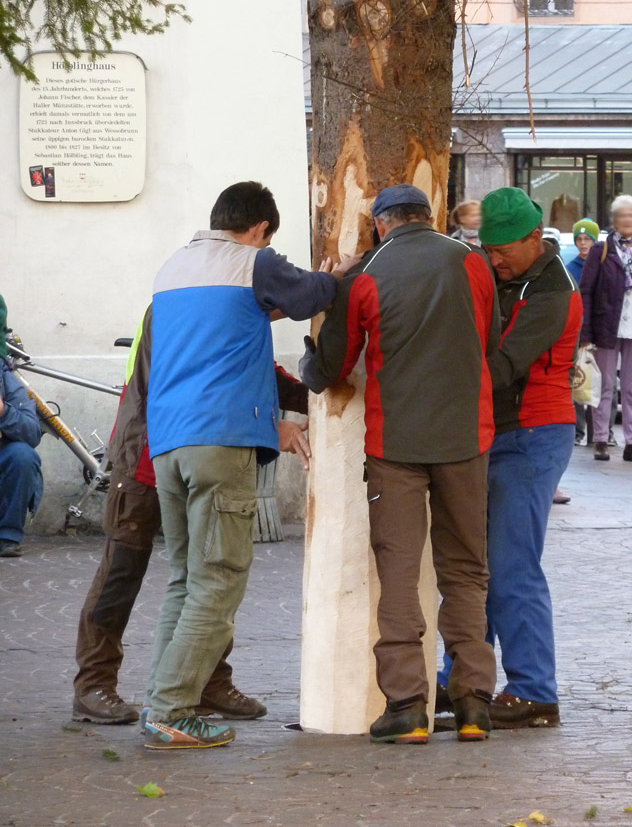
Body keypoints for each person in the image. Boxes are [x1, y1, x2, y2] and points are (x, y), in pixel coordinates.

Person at [142, 180, 353, 751]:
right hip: (219, 443)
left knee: (185, 581)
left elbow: (223, 351)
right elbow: (313, 294)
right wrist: (349, 271)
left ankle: (161, 701)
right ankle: (170, 710)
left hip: (168, 442)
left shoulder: (174, 268)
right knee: (218, 581)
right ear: (259, 229)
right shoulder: (251, 263)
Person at [300, 184, 500, 745]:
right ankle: (473, 704)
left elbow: (336, 366)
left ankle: (408, 705)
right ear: (430, 217)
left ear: (380, 224)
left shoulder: (367, 273)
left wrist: (308, 363)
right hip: (467, 438)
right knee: (466, 570)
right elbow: (488, 340)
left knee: (399, 572)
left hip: (397, 446)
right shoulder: (472, 260)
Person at [72, 306, 311, 725]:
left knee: (209, 573)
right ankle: (94, 683)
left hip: (182, 456)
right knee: (122, 574)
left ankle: (207, 682)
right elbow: (199, 387)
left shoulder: (232, 317)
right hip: (145, 456)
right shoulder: (185, 311)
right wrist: (272, 426)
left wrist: (329, 391)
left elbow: (265, 377)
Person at [438, 188, 582, 729]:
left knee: (512, 566)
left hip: (534, 434)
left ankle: (534, 690)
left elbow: (504, 365)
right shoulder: (501, 275)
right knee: (476, 567)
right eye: (486, 249)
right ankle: (464, 680)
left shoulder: (554, 292)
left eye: (503, 251)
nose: (493, 260)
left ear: (533, 237)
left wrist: (431, 384)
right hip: (492, 433)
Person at [579, 194, 632, 463]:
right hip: (607, 326)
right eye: (622, 216)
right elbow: (586, 292)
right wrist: (585, 333)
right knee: (605, 387)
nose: (627, 220)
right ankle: (601, 440)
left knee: (630, 388)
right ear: (615, 221)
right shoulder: (601, 250)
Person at [0, 296, 43, 557]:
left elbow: (32, 431)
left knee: (23, 456)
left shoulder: (7, 380)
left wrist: (4, 412)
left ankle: (7, 536)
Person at [567, 219, 599, 447]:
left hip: (600, 332)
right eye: (579, 238)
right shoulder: (570, 268)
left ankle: (601, 432)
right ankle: (578, 432)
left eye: (588, 238)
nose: (583, 243)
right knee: (579, 382)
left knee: (603, 383)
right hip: (578, 333)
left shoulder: (605, 265)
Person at [566, 218, 599, 285]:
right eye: (579, 239)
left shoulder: (603, 265)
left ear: (594, 241)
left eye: (587, 239)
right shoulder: (569, 269)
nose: (582, 242)